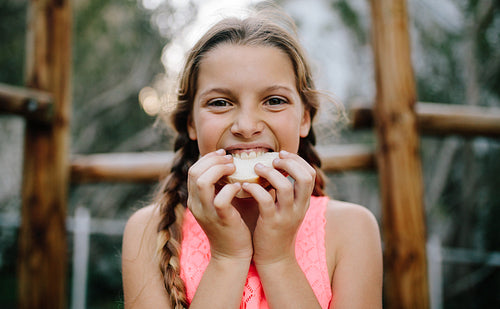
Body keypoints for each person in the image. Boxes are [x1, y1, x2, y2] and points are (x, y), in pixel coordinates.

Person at [122, 8, 382, 309]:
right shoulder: (148, 232)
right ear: (191, 123)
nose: (246, 126)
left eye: (274, 101)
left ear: (304, 119)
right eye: (220, 103)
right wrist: (227, 258)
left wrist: (278, 259)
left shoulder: (352, 229)